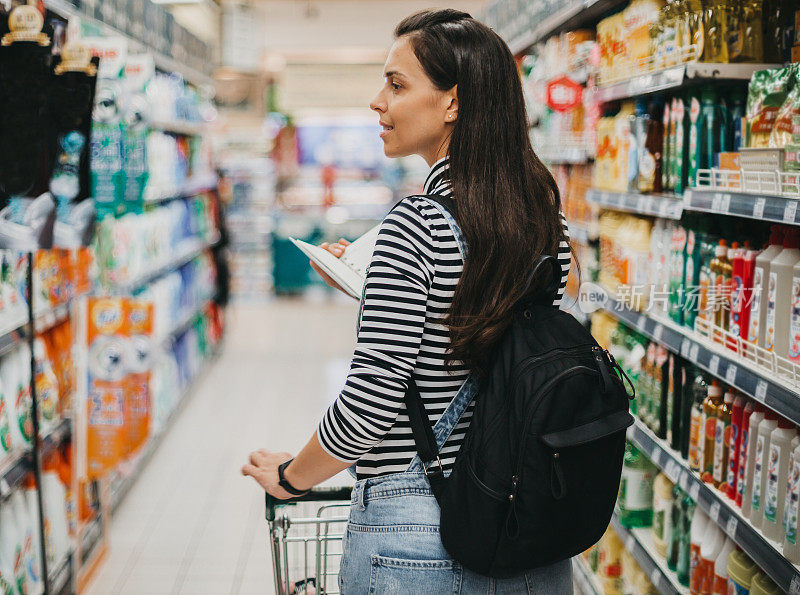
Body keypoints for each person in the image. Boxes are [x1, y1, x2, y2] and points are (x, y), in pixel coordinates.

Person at [242, 9, 574, 593]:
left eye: (397, 84)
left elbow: (368, 408)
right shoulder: (545, 220)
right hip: (524, 526)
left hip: (420, 532)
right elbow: (484, 337)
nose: (378, 102)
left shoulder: (417, 225)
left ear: (453, 102)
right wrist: (376, 282)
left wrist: (293, 477)